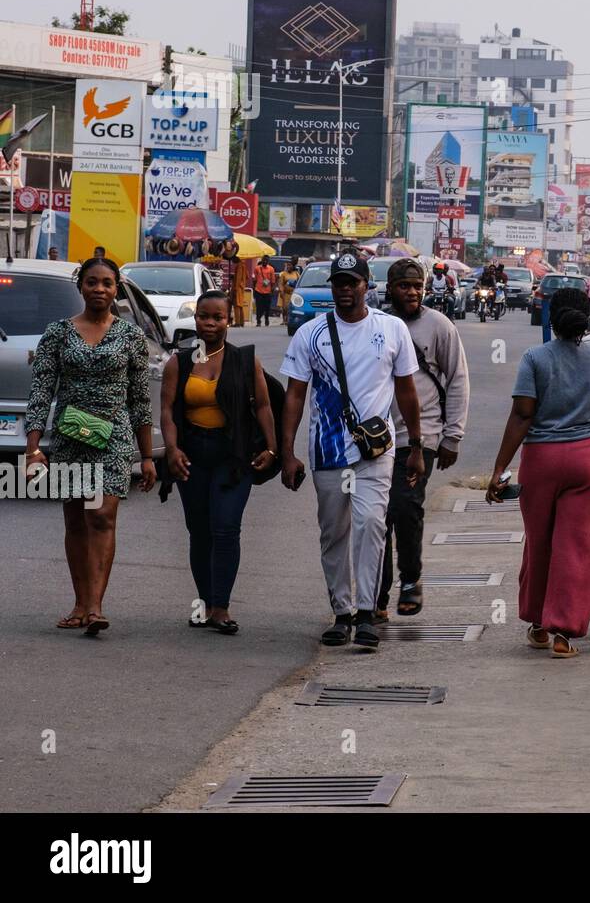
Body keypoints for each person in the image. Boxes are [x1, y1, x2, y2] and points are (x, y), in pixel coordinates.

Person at [279, 247, 426, 651]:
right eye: (339, 283)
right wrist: (287, 452)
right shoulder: (312, 333)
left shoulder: (392, 329)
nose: (346, 290)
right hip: (327, 451)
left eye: (353, 283)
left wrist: (416, 444)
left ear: (367, 286)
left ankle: (366, 614)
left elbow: (407, 391)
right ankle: (341, 614)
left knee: (371, 526)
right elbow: (295, 395)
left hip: (375, 452)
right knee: (334, 534)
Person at [487, 288, 590, 658]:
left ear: (552, 317)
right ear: (588, 319)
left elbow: (522, 414)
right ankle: (564, 634)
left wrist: (500, 467)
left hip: (541, 461)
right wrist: (589, 437)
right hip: (585, 461)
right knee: (577, 547)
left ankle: (537, 623)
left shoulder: (535, 358)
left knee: (540, 542)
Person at [25, 257, 157, 635]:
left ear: (117, 290)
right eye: (92, 282)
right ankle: (80, 603)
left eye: (107, 283)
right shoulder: (57, 334)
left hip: (113, 437)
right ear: (80, 286)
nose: (99, 289)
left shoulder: (131, 337)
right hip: (70, 436)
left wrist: (147, 457)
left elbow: (140, 400)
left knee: (101, 515)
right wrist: (34, 449)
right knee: (76, 520)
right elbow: (40, 393)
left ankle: (96, 606)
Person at [160, 290, 278, 634]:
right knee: (199, 532)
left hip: (232, 456)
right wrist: (172, 449)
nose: (209, 324)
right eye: (203, 317)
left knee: (225, 528)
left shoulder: (244, 360)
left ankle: (221, 607)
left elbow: (263, 407)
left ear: (230, 320)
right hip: (192, 455)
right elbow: (167, 410)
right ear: (195, 319)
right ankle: (205, 602)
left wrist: (272, 450)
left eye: (217, 318)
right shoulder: (179, 363)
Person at [377, 258, 470, 620]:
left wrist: (453, 436)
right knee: (376, 517)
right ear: (390, 289)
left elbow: (458, 378)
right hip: (376, 437)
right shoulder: (377, 324)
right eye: (404, 286)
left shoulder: (439, 326)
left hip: (422, 436)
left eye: (417, 286)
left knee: (405, 507)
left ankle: (411, 581)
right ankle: (377, 597)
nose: (412, 292)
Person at [252, 255, 277, 327]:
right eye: (264, 260)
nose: (265, 262)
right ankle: (258, 320)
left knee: (267, 307)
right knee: (259, 306)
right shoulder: (257, 268)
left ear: (268, 261)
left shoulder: (271, 269)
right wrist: (254, 288)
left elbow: (273, 281)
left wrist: (272, 290)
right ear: (262, 260)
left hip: (267, 291)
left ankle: (266, 319)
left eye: (266, 260)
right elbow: (254, 279)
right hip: (258, 290)